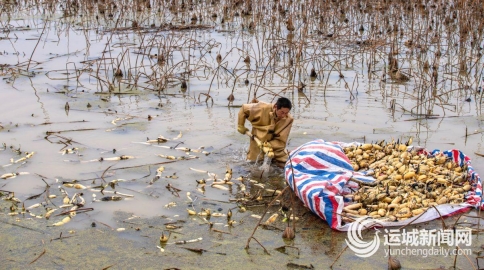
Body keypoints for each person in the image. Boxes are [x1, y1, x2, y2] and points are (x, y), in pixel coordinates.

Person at [237, 97, 293, 168]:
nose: (284, 115)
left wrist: (268, 145)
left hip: (274, 145)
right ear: (276, 107)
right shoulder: (262, 107)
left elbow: (282, 140)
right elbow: (244, 109)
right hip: (258, 138)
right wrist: (240, 125)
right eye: (282, 112)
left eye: (286, 113)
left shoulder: (289, 119)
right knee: (253, 164)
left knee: (286, 164)